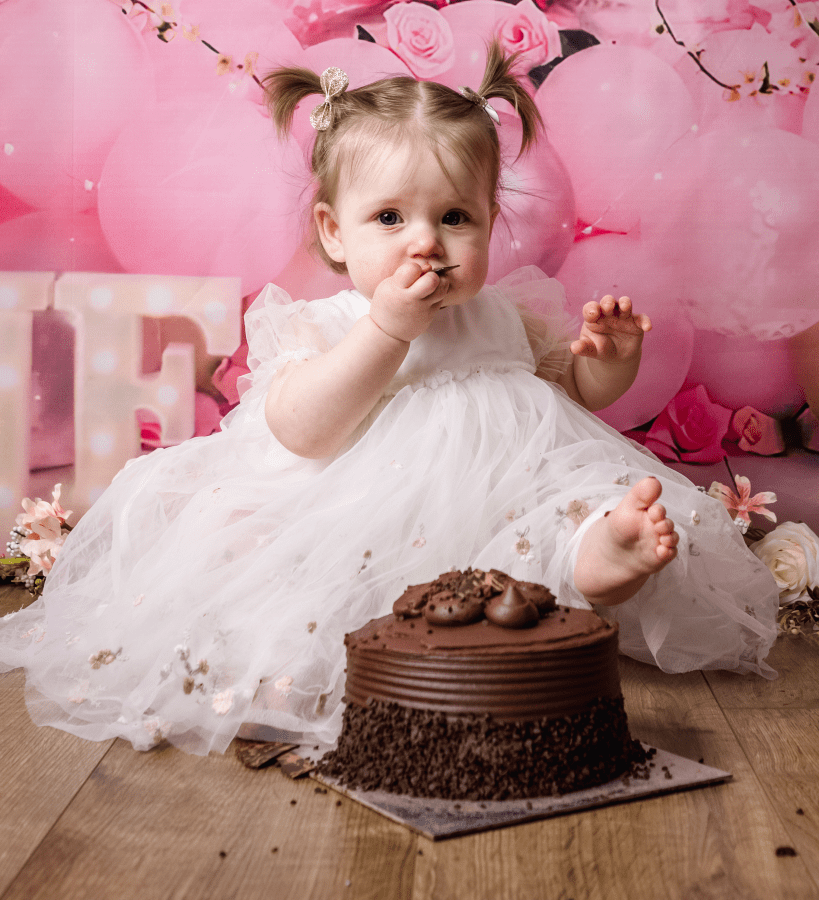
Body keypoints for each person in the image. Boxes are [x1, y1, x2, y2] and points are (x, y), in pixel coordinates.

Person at [0, 46, 778, 756]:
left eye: (454, 217)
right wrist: (385, 330)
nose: (425, 242)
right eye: (389, 218)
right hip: (374, 514)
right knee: (297, 581)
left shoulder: (505, 314)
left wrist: (608, 365)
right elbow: (299, 431)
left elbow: (569, 398)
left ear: (490, 224)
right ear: (334, 232)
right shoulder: (325, 323)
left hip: (508, 494)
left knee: (570, 503)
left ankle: (593, 558)